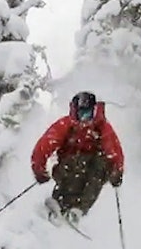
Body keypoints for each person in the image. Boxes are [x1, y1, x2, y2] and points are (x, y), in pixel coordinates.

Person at [30, 91, 125, 224]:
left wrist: (117, 171)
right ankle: (59, 202)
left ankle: (78, 210)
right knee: (77, 163)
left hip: (92, 171)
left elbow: (114, 151)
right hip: (68, 168)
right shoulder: (67, 125)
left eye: (88, 114)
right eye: (81, 114)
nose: (84, 119)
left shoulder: (102, 128)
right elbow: (45, 145)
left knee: (101, 166)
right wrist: (39, 169)